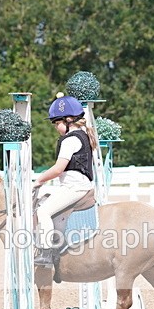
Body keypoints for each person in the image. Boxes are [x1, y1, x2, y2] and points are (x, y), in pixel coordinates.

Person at [32, 93, 97, 267]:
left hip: (74, 187)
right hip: (77, 185)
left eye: (57, 123)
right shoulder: (83, 135)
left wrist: (39, 180)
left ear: (69, 120)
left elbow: (58, 169)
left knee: (43, 211)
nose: (56, 128)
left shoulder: (70, 140)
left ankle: (45, 253)